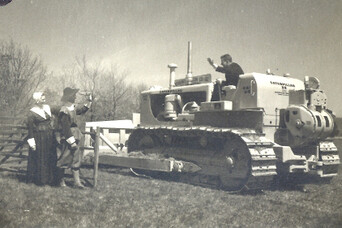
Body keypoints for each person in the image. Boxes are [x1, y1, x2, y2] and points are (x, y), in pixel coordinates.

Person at [56, 87, 92, 188]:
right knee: (64, 158)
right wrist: (71, 142)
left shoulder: (73, 108)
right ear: (69, 97)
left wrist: (89, 99)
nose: (75, 97)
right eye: (74, 95)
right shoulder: (64, 110)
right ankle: (60, 181)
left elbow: (83, 109)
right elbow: (66, 127)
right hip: (68, 137)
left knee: (76, 159)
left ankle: (77, 182)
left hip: (76, 135)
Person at [27, 92, 57, 185]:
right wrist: (32, 143)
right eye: (42, 98)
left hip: (49, 136)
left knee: (50, 156)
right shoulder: (32, 112)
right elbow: (30, 129)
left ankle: (50, 180)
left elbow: (59, 111)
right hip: (39, 137)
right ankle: (40, 180)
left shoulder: (47, 108)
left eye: (44, 98)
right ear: (37, 100)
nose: (44, 99)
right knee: (41, 157)